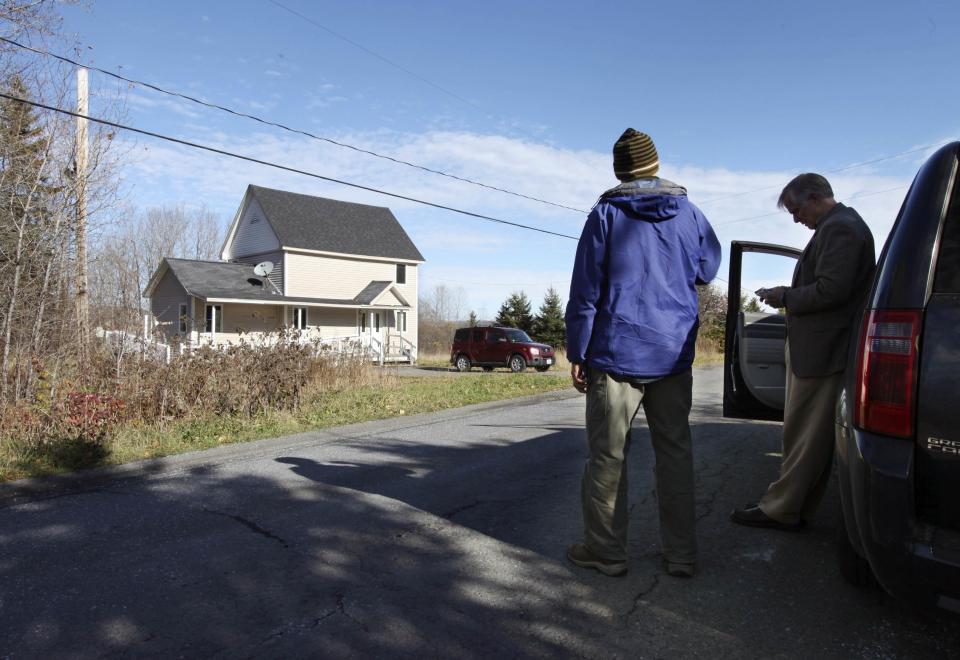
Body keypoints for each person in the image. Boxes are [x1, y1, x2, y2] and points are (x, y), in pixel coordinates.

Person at [564, 129, 721, 578]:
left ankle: (607, 553)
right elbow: (708, 267)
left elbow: (586, 291)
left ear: (619, 170)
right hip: (672, 354)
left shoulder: (605, 216)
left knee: (608, 457)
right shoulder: (690, 214)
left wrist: (578, 349)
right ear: (655, 165)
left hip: (616, 355)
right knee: (675, 453)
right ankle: (681, 555)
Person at [732, 173, 875, 531]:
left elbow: (832, 290)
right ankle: (792, 506)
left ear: (815, 197)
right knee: (808, 436)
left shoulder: (841, 228)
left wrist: (786, 297)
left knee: (804, 437)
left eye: (796, 210)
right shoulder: (839, 226)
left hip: (823, 351)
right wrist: (787, 291)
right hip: (820, 348)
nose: (796, 219)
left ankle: (781, 509)